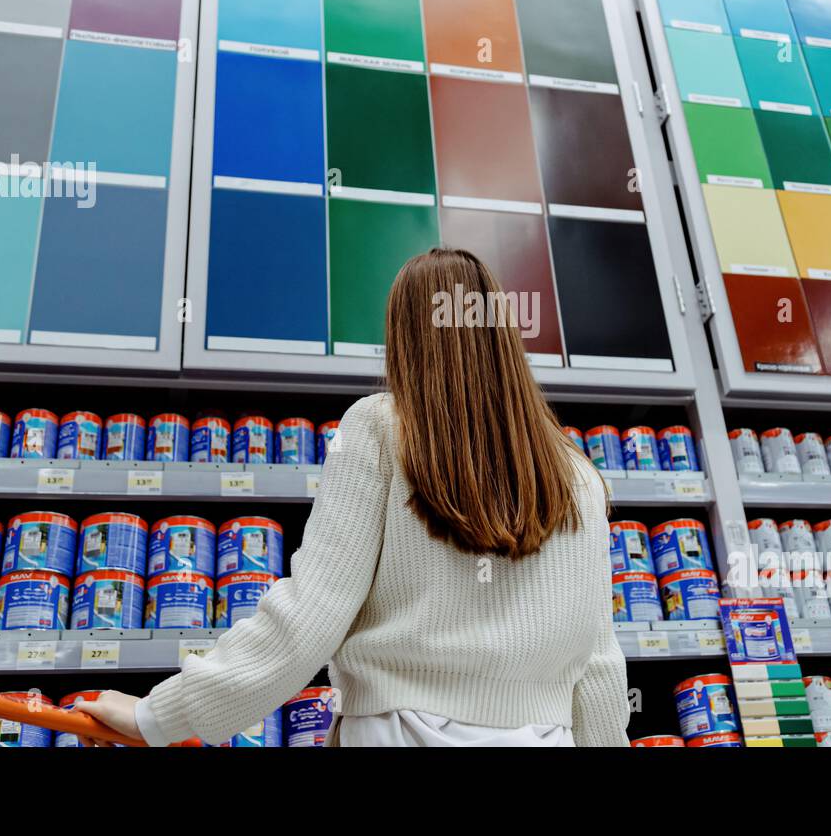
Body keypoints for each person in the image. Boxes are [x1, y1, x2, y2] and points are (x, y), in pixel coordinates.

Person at [76, 248, 629, 747]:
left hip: (397, 732)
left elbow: (310, 616)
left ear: (405, 340)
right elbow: (599, 667)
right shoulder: (577, 474)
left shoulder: (379, 429)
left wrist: (159, 716)